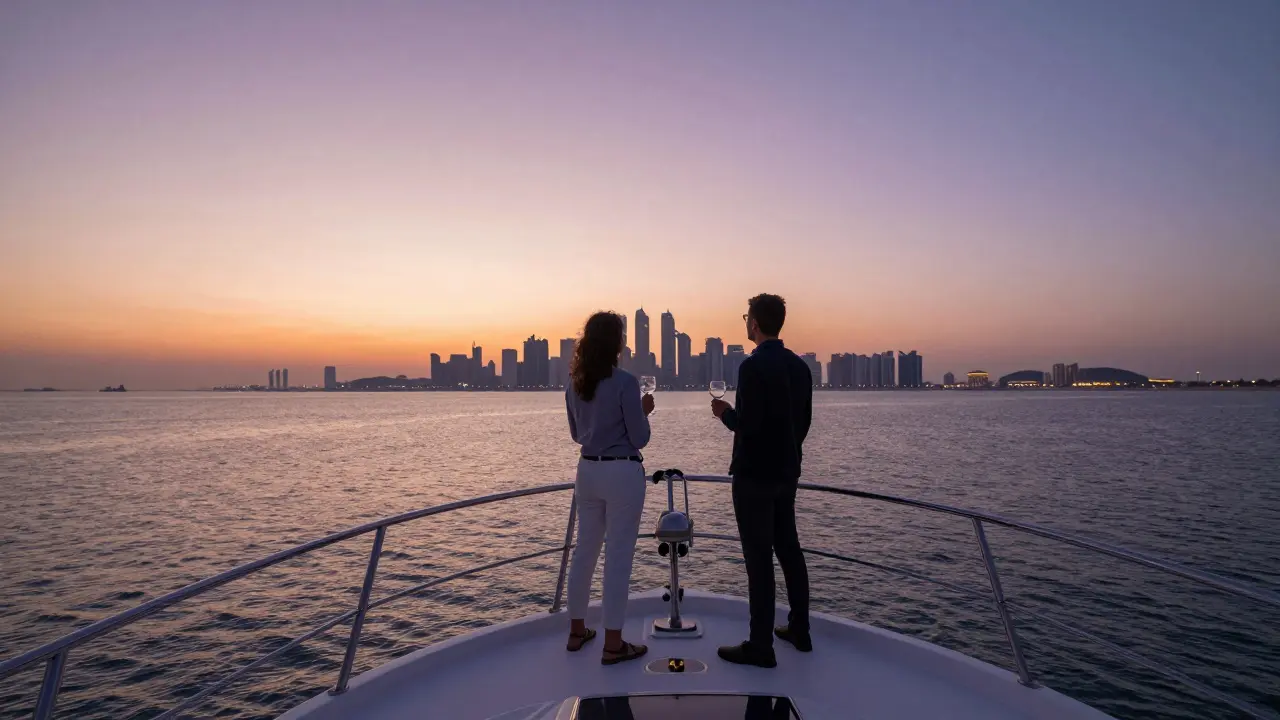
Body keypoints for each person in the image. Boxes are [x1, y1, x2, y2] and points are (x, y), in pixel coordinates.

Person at [710, 293, 813, 667]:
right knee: (789, 550)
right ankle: (800, 629)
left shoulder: (751, 367)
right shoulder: (800, 368)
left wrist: (725, 414)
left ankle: (760, 645)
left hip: (754, 475)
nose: (745, 323)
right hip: (787, 472)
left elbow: (748, 426)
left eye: (745, 317)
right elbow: (803, 423)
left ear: (754, 323)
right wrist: (788, 452)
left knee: (758, 559)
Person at [564, 310, 655, 665]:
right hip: (621, 474)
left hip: (587, 471)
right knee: (617, 559)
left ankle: (576, 632)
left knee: (583, 552)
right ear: (616, 342)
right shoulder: (625, 383)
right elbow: (640, 438)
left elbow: (576, 434)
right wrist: (644, 411)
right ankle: (613, 644)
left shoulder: (575, 382)